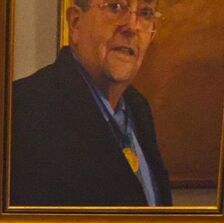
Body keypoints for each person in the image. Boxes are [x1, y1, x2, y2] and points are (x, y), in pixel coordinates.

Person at [10, 0, 171, 207]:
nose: (132, 26)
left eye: (145, 13)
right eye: (115, 7)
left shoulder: (139, 108)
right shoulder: (23, 108)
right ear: (75, 23)